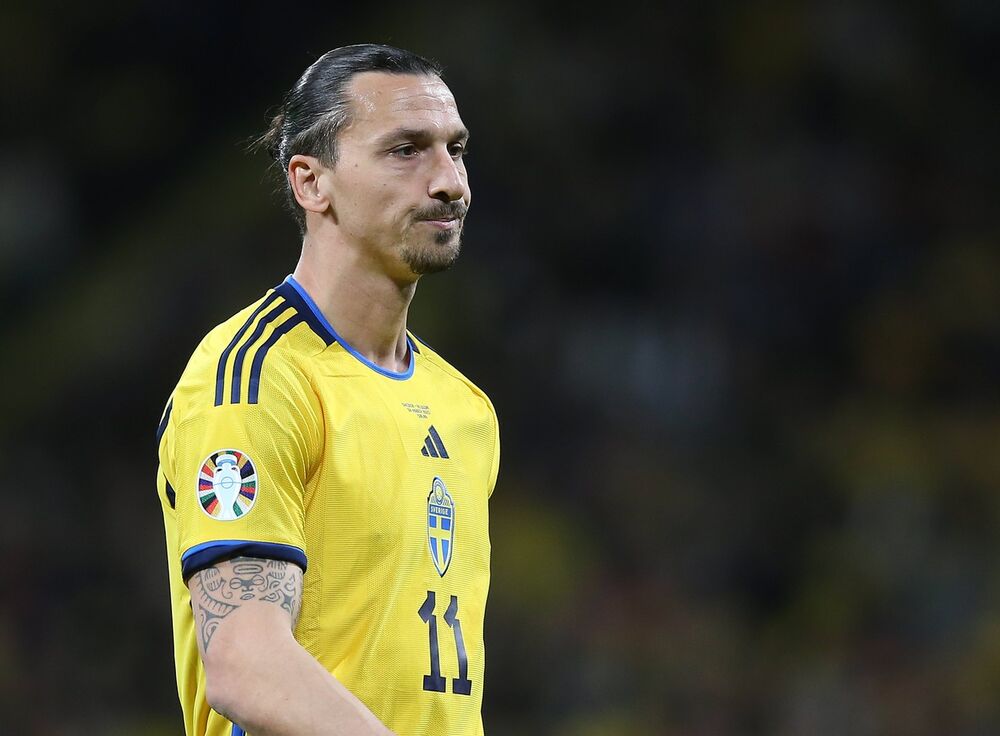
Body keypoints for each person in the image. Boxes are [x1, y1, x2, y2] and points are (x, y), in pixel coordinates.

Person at [155, 43, 500, 736]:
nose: (449, 182)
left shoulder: (464, 407)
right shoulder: (255, 378)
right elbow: (245, 663)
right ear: (311, 182)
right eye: (406, 150)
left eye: (455, 150)